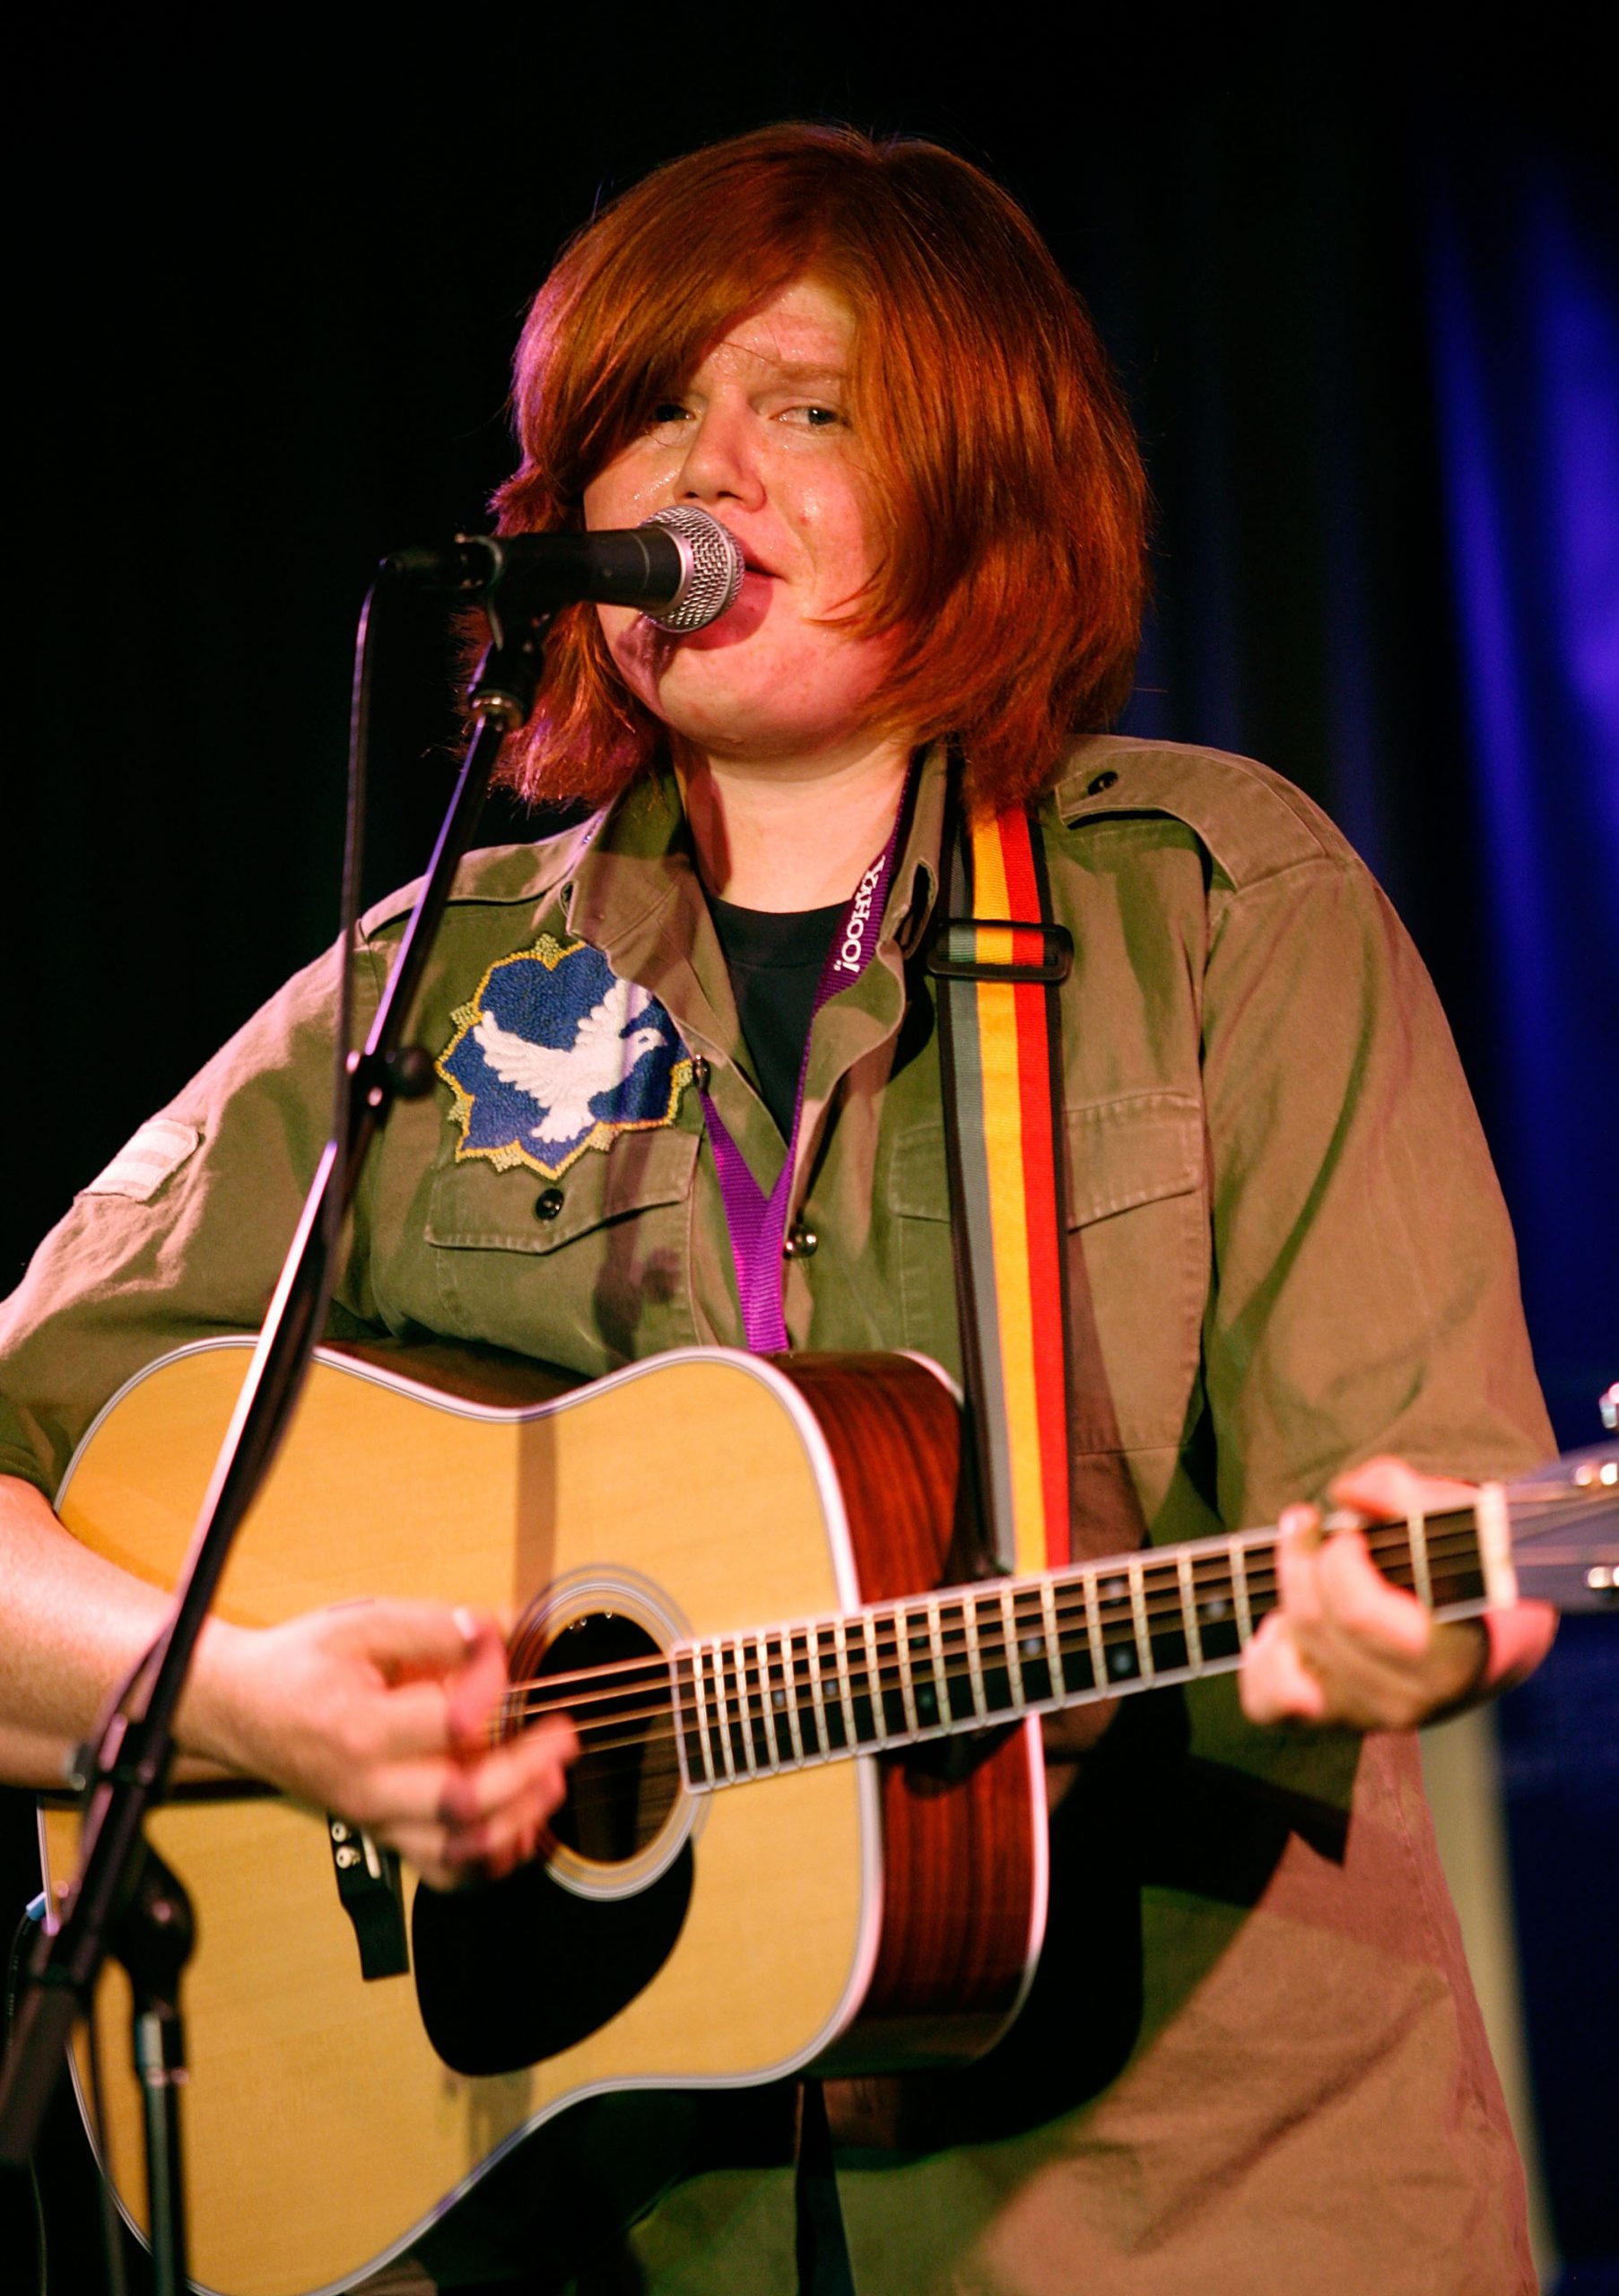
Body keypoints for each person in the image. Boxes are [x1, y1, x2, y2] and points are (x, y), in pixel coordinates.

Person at [0, 125, 1558, 2294]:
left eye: (804, 411)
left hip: (1191, 2217)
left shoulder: (1220, 908)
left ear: (983, 471)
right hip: (589, 2230)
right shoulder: (420, 988)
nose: (698, 477)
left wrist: (1415, 1599)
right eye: (650, 411)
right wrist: (253, 1696)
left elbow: (1438, 1517)